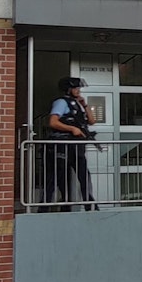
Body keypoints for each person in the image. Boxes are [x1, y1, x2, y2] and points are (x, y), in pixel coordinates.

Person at [46, 76, 97, 211]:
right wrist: (72, 129)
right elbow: (53, 122)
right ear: (68, 89)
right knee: (59, 177)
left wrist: (85, 105)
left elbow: (92, 121)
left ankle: (90, 205)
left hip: (76, 146)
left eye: (78, 88)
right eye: (75, 88)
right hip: (63, 145)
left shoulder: (78, 104)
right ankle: (52, 205)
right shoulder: (61, 103)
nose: (78, 90)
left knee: (84, 176)